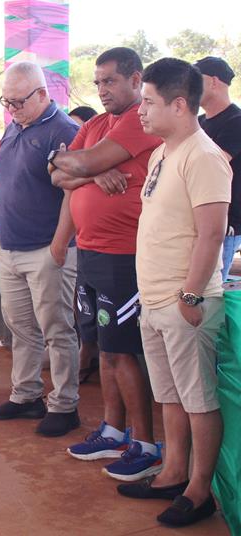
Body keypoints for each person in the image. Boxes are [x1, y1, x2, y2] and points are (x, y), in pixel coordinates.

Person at [116, 58, 230, 528]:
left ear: (180, 105)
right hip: (156, 299)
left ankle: (200, 490)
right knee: (171, 396)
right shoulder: (164, 151)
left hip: (187, 304)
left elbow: (212, 235)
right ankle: (173, 472)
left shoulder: (203, 156)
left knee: (199, 399)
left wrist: (191, 297)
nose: (140, 111)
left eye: (148, 102)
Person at [51, 47, 163, 479]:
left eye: (110, 81)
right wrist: (93, 173)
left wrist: (82, 164)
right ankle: (114, 431)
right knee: (102, 345)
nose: (102, 90)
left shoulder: (140, 119)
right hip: (92, 250)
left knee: (124, 349)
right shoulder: (97, 124)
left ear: (136, 80)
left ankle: (145, 442)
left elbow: (73, 161)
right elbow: (56, 172)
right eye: (97, 82)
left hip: (125, 254)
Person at [0, 61, 81, 435]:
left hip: (47, 249)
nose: (11, 109)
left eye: (19, 102)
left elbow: (73, 193)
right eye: (6, 102)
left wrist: (58, 246)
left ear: (43, 94)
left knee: (57, 329)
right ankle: (26, 395)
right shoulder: (14, 126)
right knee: (20, 328)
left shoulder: (65, 130)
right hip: (9, 247)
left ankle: (65, 404)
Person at [193, 56, 241, 281]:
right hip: (194, 219)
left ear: (213, 82)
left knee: (209, 291)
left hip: (223, 224)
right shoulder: (197, 122)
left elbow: (211, 164)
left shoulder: (236, 121)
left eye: (195, 80)